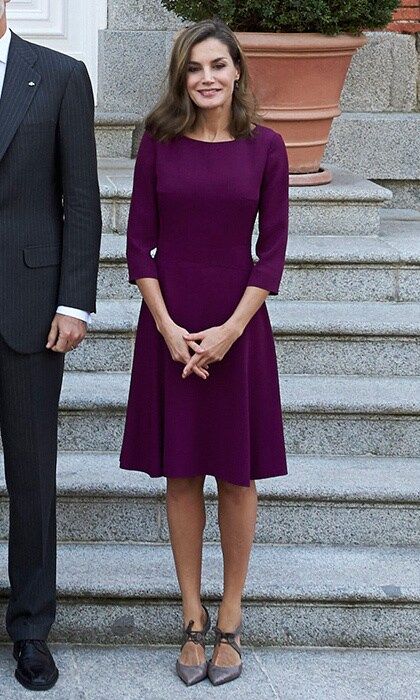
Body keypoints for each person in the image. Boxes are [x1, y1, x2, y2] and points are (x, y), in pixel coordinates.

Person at [120, 18, 288, 687]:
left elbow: (271, 256)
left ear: (238, 70)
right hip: (171, 328)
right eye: (194, 67)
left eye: (218, 65)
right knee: (182, 474)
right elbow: (138, 246)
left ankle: (230, 618)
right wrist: (166, 327)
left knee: (238, 477)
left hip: (238, 330)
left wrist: (228, 331)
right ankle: (190, 619)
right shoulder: (157, 145)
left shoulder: (268, 149)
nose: (207, 77)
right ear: (181, 76)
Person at [0, 0, 101, 691]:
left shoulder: (59, 74)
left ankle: (32, 631)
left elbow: (82, 197)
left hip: (31, 309)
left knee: (32, 477)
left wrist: (74, 299)